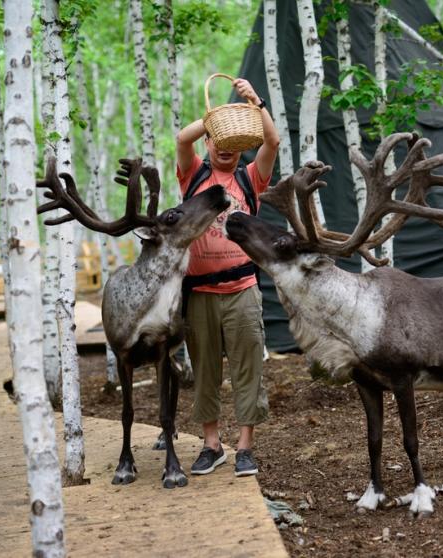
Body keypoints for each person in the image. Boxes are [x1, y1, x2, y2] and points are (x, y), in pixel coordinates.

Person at [176, 77, 279, 477]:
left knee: (247, 366)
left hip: (243, 290)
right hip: (199, 291)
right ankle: (211, 444)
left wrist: (256, 102)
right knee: (204, 369)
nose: (226, 152)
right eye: (220, 144)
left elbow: (271, 143)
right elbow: (183, 140)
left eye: (234, 148)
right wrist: (216, 120)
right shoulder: (194, 175)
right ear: (211, 143)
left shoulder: (250, 179)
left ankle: (245, 446)